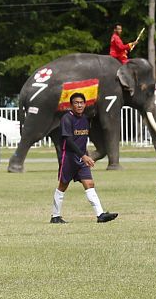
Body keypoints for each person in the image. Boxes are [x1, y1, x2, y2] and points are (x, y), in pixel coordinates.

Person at [50, 93, 118, 225]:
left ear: (85, 104)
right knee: (62, 186)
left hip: (82, 158)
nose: (79, 105)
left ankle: (100, 214)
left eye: (81, 102)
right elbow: (68, 140)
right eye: (76, 102)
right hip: (69, 157)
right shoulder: (67, 119)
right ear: (71, 105)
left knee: (89, 184)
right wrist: (83, 155)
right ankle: (55, 216)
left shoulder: (85, 119)